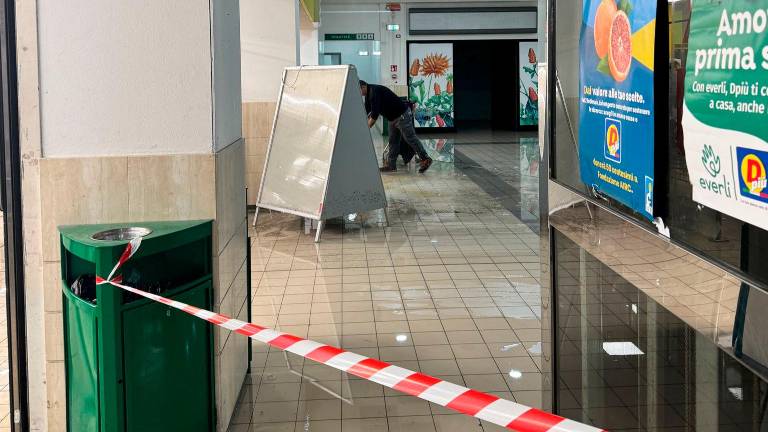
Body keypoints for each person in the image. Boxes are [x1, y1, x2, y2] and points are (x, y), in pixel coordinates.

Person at [360, 80, 432, 173]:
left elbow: (374, 115)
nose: (360, 94)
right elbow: (366, 111)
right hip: (392, 118)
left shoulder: (375, 92)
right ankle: (391, 166)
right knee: (393, 141)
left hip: (402, 116)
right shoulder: (368, 94)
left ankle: (425, 158)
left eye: (360, 91)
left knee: (410, 138)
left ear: (363, 87)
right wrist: (360, 125)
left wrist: (366, 129)